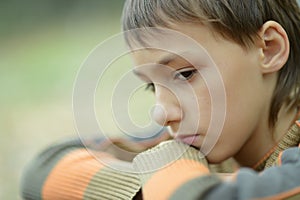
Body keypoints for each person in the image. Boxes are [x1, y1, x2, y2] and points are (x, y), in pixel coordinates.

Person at [21, 0, 300, 199]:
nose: (161, 113)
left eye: (185, 74)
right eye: (152, 86)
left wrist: (171, 180)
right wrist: (155, 184)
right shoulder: (191, 146)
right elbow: (43, 168)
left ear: (269, 49)